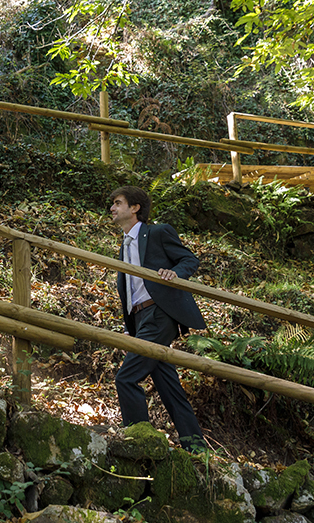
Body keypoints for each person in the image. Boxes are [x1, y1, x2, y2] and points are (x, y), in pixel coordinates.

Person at [110, 185, 207, 452]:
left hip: (159, 314)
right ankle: (197, 448)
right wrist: (130, 326)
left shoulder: (157, 232)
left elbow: (189, 260)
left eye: (118, 203)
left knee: (126, 378)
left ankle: (139, 440)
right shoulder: (124, 245)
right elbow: (129, 288)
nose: (112, 208)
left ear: (135, 208)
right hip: (140, 319)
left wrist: (175, 273)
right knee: (168, 386)